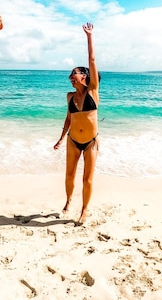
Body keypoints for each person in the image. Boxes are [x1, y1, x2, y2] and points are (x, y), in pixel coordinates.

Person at [54, 22, 100, 225]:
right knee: (69, 176)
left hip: (90, 142)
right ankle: (68, 201)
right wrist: (61, 139)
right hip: (73, 140)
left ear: (84, 76)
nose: (71, 76)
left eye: (75, 73)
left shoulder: (93, 92)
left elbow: (91, 59)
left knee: (87, 179)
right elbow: (68, 119)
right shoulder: (69, 96)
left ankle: (84, 210)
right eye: (70, 75)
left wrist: (89, 36)